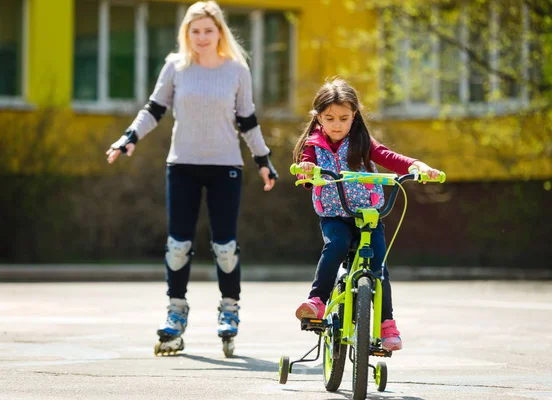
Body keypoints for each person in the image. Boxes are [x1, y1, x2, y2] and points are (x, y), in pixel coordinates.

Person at [106, 1, 278, 349]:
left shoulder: (236, 70)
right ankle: (175, 311)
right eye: (194, 30)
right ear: (187, 33)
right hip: (181, 164)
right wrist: (129, 137)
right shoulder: (176, 66)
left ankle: (230, 309)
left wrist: (263, 159)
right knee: (177, 245)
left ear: (219, 32)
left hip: (225, 166)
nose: (201, 37)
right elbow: (154, 109)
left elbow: (247, 120)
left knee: (225, 246)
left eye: (208, 30)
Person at [292, 78, 441, 352]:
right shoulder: (312, 145)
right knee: (335, 245)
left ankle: (387, 324)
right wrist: (307, 171)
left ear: (354, 116)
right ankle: (317, 301)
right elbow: (306, 165)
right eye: (330, 118)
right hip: (335, 215)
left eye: (344, 118)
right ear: (319, 118)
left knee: (378, 269)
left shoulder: (361, 141)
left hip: (368, 215)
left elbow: (388, 156)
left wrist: (417, 165)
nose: (337, 125)